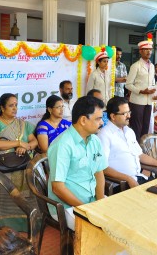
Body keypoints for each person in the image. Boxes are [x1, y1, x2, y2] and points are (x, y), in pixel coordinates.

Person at [48, 96, 107, 230]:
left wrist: (100, 202)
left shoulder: (94, 140)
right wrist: (86, 210)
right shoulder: (62, 145)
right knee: (102, 229)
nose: (102, 122)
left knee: (119, 221)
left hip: (91, 201)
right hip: (68, 206)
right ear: (83, 120)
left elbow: (99, 173)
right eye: (98, 118)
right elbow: (58, 188)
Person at [0, 93, 38, 231]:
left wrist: (25, 147)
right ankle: (6, 225)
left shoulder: (22, 124)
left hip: (23, 163)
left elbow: (34, 141)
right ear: (2, 107)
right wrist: (18, 142)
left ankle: (28, 222)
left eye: (16, 105)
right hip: (3, 166)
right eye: (11, 105)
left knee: (32, 180)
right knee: (5, 186)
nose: (15, 108)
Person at [98, 96, 157, 191]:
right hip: (121, 184)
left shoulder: (129, 131)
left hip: (138, 178)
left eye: (129, 112)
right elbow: (103, 168)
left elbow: (140, 155)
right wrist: (128, 178)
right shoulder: (104, 134)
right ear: (113, 116)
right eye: (124, 113)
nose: (129, 116)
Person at [125, 35, 157, 142]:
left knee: (146, 127)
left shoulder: (152, 66)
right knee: (136, 127)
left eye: (150, 49)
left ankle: (142, 150)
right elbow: (128, 84)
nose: (149, 52)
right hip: (137, 101)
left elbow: (152, 82)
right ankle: (135, 149)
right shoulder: (136, 66)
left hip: (149, 102)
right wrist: (141, 91)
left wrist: (155, 92)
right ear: (140, 51)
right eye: (146, 50)